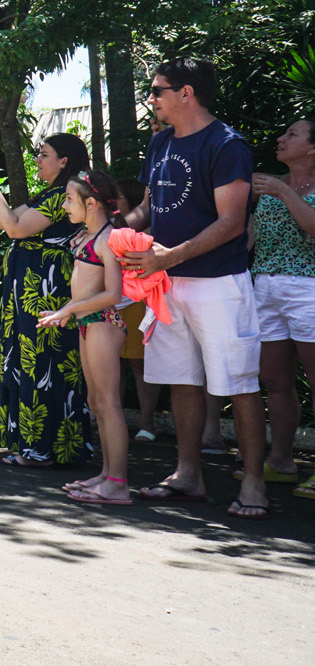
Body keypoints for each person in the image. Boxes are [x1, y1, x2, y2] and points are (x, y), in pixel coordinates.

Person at [121, 57, 267, 519]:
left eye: (157, 90)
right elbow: (148, 210)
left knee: (239, 383)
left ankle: (254, 485)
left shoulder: (227, 145)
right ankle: (187, 475)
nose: (151, 98)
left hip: (219, 283)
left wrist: (170, 256)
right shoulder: (159, 142)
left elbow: (232, 222)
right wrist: (109, 233)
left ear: (186, 93)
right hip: (166, 283)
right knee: (181, 380)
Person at [0, 132, 93, 466]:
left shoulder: (62, 196)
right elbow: (8, 221)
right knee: (33, 362)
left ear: (63, 161)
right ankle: (37, 446)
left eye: (44, 154)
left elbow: (15, 229)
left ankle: (42, 449)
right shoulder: (52, 194)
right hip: (32, 289)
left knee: (44, 363)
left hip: (44, 290)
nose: (38, 160)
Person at [40, 171, 130, 505]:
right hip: (87, 322)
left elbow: (113, 294)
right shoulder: (86, 236)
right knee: (96, 402)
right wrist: (70, 311)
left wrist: (68, 309)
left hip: (103, 322)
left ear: (91, 203)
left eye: (69, 199)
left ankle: (118, 483)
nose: (64, 206)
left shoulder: (107, 239)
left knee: (108, 402)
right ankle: (107, 475)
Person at [250, 118, 315, 499]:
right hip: (265, 286)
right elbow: (250, 238)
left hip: (309, 288)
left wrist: (283, 191)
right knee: (275, 380)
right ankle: (281, 461)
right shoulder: (269, 186)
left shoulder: (278, 187)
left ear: (312, 149)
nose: (280, 137)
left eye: (292, 134)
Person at [115, 177, 160, 442]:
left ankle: (147, 423)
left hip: (137, 301)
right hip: (110, 302)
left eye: (118, 198)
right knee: (114, 365)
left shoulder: (149, 230)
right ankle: (114, 421)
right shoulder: (103, 227)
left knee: (140, 364)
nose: (112, 202)